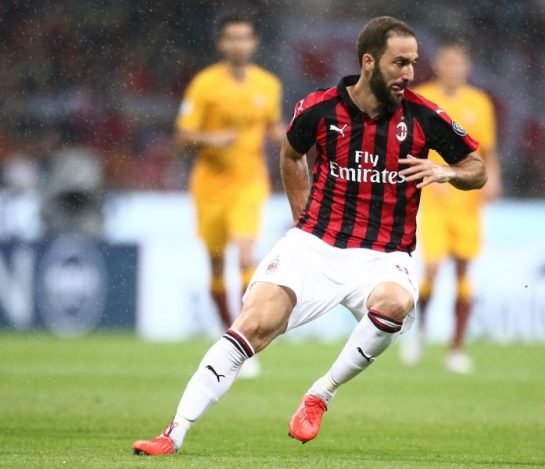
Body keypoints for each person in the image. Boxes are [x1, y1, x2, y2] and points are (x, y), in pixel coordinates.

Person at [132, 16, 486, 456]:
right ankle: (174, 433)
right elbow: (291, 153)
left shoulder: (424, 116)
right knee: (253, 323)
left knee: (396, 302)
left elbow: (477, 167)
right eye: (400, 63)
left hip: (383, 255)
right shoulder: (320, 108)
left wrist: (447, 171)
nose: (410, 73)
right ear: (369, 62)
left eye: (413, 63)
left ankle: (321, 392)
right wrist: (303, 221)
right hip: (314, 245)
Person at [175, 13, 284, 378]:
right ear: (222, 43)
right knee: (217, 264)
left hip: (250, 182)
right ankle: (228, 335)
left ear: (254, 43)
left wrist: (293, 135)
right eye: (232, 38)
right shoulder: (205, 84)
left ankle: (243, 338)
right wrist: (211, 138)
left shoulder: (268, 84)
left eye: (245, 37)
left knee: (247, 254)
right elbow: (182, 134)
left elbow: (273, 128)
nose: (239, 44)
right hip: (210, 186)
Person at [400, 42, 500, 374]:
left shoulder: (479, 102)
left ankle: (456, 349)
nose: (453, 68)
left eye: (459, 62)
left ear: (467, 67)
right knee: (431, 268)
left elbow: (488, 150)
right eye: (448, 62)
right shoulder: (423, 98)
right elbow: (409, 144)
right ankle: (419, 333)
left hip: (468, 202)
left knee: (464, 271)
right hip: (433, 199)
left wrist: (493, 179)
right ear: (437, 65)